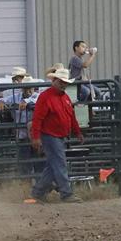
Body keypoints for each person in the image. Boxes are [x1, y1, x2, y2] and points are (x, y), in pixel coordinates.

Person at [29, 68, 85, 203]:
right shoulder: (46, 97)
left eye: (65, 82)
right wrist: (36, 137)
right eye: (61, 81)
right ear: (54, 81)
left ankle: (37, 193)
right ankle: (66, 193)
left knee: (53, 166)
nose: (63, 84)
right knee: (60, 164)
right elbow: (38, 119)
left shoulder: (64, 97)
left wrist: (77, 131)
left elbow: (71, 117)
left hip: (58, 136)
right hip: (50, 136)